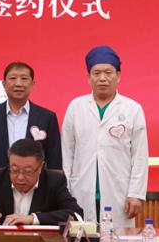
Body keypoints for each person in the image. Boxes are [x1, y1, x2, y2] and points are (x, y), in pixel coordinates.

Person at [61, 46, 148, 228]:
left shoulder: (132, 109)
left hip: (119, 193)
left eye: (108, 72)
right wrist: (64, 191)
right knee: (81, 240)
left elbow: (140, 156)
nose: (102, 78)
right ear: (88, 77)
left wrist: (136, 194)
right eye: (96, 73)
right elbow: (66, 153)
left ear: (118, 76)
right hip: (81, 190)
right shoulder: (76, 107)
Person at [0, 139, 82, 225]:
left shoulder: (54, 181)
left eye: (27, 171)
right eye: (14, 170)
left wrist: (33, 219)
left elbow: (76, 214)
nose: (20, 177)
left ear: (40, 168)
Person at [0, 61, 61, 170]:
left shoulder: (47, 118)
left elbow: (54, 160)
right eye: (13, 78)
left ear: (32, 84)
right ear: (4, 84)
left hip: (35, 180)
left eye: (24, 78)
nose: (18, 83)